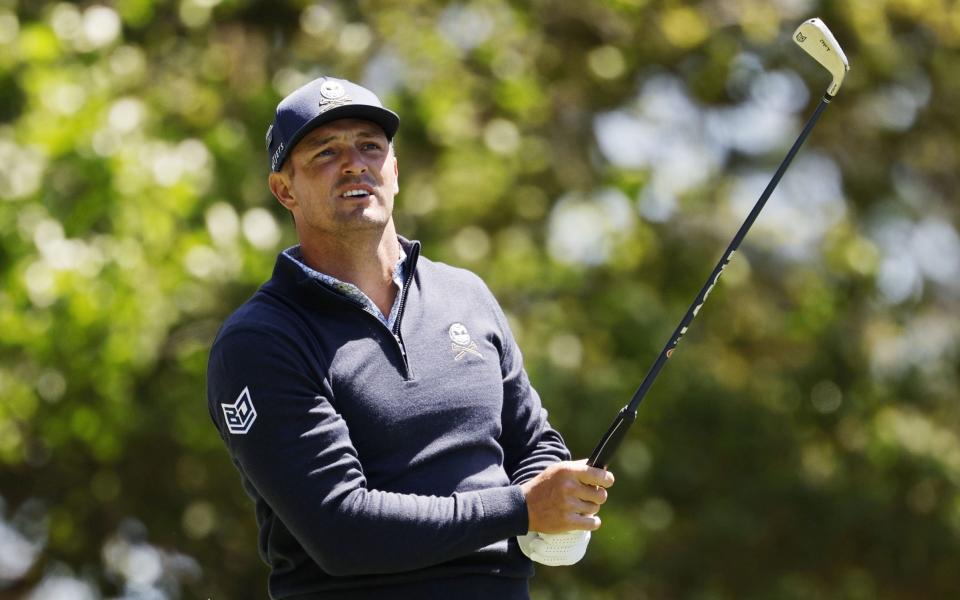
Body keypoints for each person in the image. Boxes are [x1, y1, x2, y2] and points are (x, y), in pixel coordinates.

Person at [206, 76, 615, 599]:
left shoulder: (465, 295)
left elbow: (533, 443)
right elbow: (341, 530)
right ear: (285, 189)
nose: (354, 163)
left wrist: (558, 495)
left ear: (394, 170)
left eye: (370, 146)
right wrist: (522, 508)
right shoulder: (260, 340)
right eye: (325, 153)